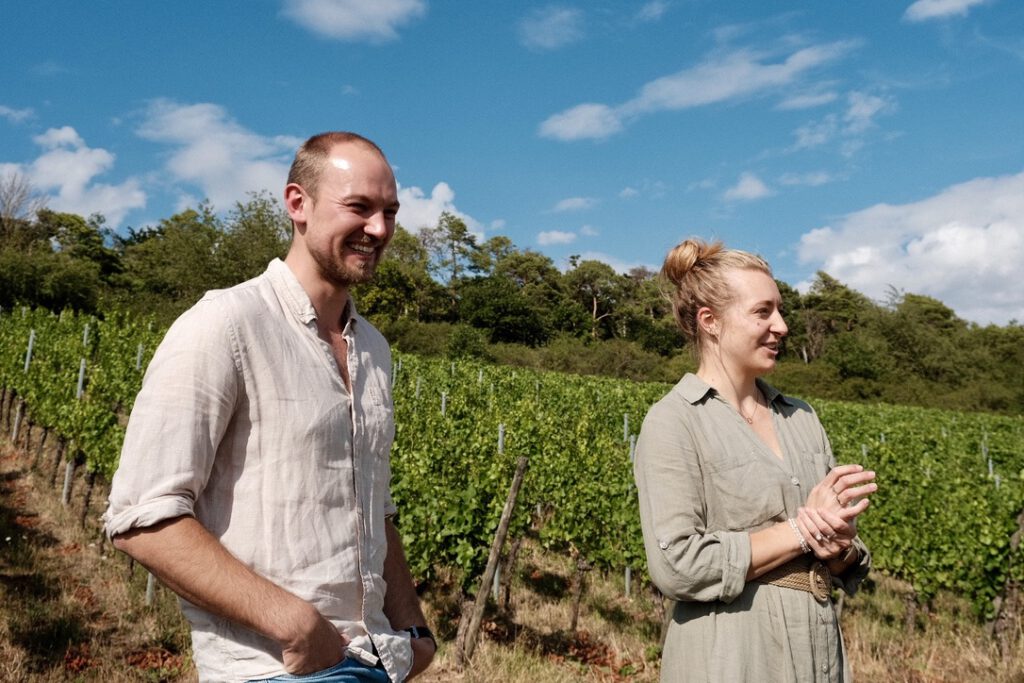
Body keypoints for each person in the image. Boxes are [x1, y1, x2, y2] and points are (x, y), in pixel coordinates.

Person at [102, 132, 436, 683]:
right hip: (275, 667)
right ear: (298, 203)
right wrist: (294, 624)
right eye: (359, 207)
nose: (379, 229)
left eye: (390, 212)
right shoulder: (225, 324)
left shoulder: (374, 349)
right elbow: (144, 516)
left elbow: (375, 510)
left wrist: (414, 629)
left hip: (378, 659)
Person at [633, 238, 877, 682]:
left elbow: (843, 551)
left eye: (780, 310)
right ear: (710, 321)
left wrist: (840, 546)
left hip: (819, 652)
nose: (781, 325)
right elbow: (677, 565)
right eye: (763, 312)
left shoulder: (801, 416)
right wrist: (802, 531)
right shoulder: (674, 421)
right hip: (732, 657)